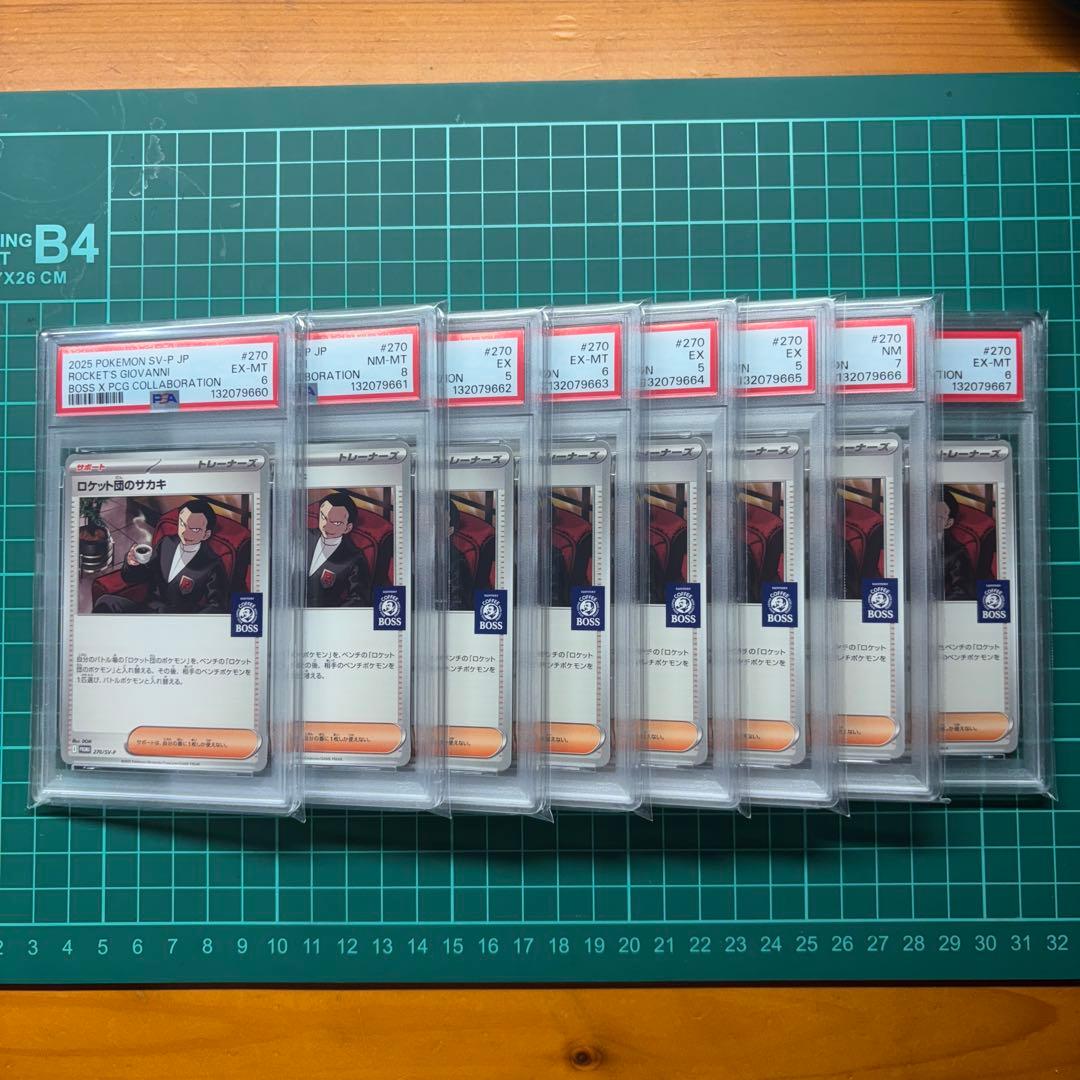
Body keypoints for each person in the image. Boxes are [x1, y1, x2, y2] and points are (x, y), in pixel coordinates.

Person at [93, 499, 228, 614]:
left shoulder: (212, 564)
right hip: (147, 610)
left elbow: (217, 607)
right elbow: (141, 575)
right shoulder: (167, 542)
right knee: (105, 602)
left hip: (175, 623)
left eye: (194, 529)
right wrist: (133, 564)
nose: (185, 532)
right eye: (182, 523)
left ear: (206, 534)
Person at [307, 492, 372, 607]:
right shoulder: (302, 536)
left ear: (348, 528)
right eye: (324, 517)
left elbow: (359, 598)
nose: (326, 526)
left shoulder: (355, 558)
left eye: (336, 523)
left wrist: (333, 614)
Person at [939, 489, 977, 601]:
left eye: (938, 517)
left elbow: (963, 592)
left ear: (948, 523)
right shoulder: (908, 547)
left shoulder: (957, 553)